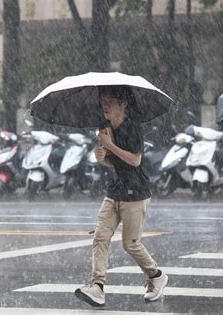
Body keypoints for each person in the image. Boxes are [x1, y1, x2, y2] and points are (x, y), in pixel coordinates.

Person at [74, 86, 168, 307]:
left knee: (131, 244)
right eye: (103, 101)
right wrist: (102, 157)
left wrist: (109, 146)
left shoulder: (133, 127)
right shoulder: (104, 126)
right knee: (100, 236)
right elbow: (112, 161)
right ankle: (97, 286)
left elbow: (135, 160)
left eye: (110, 101)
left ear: (123, 104)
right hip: (115, 191)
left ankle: (156, 276)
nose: (105, 105)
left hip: (135, 193)